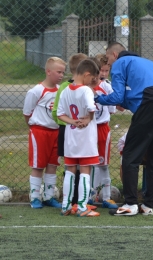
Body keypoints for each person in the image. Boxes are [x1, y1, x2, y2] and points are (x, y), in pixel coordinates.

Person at [95, 42, 153, 216]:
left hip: (150, 104)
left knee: (130, 154)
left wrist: (97, 98)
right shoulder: (147, 62)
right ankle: (148, 206)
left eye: (108, 59)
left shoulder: (119, 64)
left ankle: (130, 203)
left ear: (114, 55)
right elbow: (132, 96)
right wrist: (122, 102)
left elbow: (117, 95)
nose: (108, 63)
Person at [57, 59, 100, 217]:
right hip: (85, 137)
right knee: (85, 171)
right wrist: (88, 119)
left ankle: (66, 205)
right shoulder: (86, 90)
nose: (93, 82)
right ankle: (82, 207)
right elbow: (90, 107)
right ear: (87, 75)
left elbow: (60, 114)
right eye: (92, 78)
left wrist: (72, 121)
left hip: (71, 136)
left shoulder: (65, 90)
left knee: (70, 171)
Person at [23, 57, 66, 209]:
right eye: (58, 72)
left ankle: (49, 196)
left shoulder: (61, 90)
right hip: (39, 132)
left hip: (56, 132)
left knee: (52, 165)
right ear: (48, 72)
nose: (61, 75)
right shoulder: (36, 91)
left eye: (63, 72)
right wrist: (34, 125)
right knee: (38, 166)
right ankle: (35, 197)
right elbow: (27, 113)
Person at [52, 53, 89, 207]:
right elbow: (56, 112)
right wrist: (74, 122)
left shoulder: (72, 88)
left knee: (75, 165)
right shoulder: (70, 88)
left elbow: (56, 112)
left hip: (75, 130)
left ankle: (73, 200)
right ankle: (76, 201)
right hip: (69, 131)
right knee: (74, 165)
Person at [88, 54, 118, 210]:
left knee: (103, 164)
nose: (103, 74)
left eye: (107, 70)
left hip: (102, 129)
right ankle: (90, 196)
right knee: (90, 164)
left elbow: (112, 109)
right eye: (101, 70)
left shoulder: (107, 86)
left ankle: (106, 197)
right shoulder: (85, 88)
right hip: (88, 129)